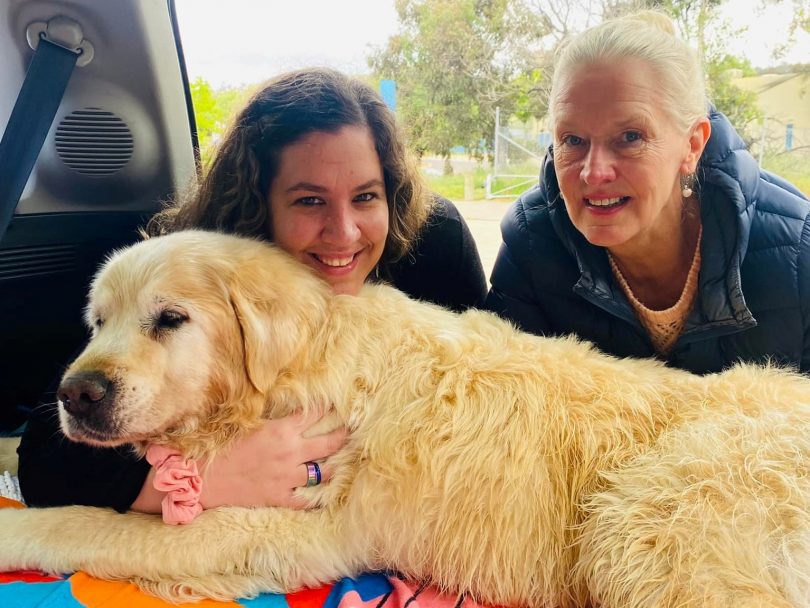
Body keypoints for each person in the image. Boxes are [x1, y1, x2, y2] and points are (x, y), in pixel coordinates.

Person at [18, 67, 487, 512]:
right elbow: (46, 461)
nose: (343, 233)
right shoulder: (197, 268)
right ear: (256, 203)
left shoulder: (434, 244)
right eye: (309, 200)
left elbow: (481, 392)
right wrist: (208, 479)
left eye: (366, 196)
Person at [486, 10, 810, 375]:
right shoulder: (531, 243)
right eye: (572, 140)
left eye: (630, 137)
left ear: (692, 145)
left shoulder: (797, 250)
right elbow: (502, 403)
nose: (594, 172)